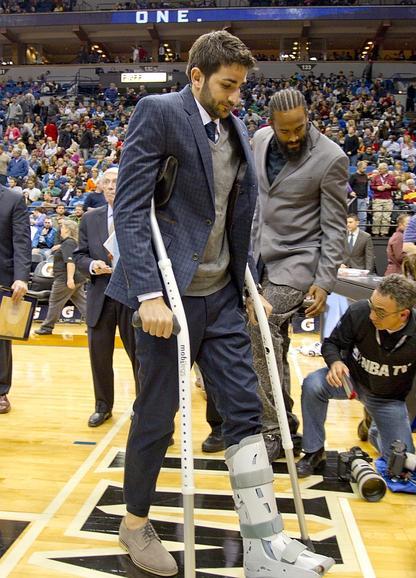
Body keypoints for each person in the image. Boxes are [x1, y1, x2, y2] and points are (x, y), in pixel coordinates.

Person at [105, 31, 331, 578]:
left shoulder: (234, 130)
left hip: (222, 298)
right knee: (157, 417)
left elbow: (235, 217)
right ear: (198, 77)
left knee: (244, 411)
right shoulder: (158, 112)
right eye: (228, 86)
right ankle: (134, 525)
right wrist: (149, 294)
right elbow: (132, 210)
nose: (237, 97)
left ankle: (264, 542)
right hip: (166, 301)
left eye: (241, 87)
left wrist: (248, 284)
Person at [235, 87, 348, 461]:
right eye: (287, 130)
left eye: (300, 127)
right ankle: (284, 422)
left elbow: (334, 227)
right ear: (272, 124)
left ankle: (272, 430)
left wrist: (323, 282)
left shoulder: (331, 157)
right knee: (272, 346)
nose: (295, 135)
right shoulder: (261, 139)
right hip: (257, 256)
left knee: (260, 324)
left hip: (298, 262)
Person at [296, 275, 416, 478]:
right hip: (351, 381)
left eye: (380, 312)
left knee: (401, 466)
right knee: (313, 384)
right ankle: (314, 450)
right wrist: (335, 362)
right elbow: (331, 343)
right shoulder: (359, 311)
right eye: (372, 305)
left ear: (403, 315)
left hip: (388, 399)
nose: (372, 316)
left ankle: (374, 428)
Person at [74, 168, 139, 427]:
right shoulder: (90, 219)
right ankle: (103, 406)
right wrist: (92, 265)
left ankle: (142, 406)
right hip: (100, 294)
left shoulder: (138, 214)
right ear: (100, 186)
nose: (112, 185)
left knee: (139, 356)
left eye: (116, 181)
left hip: (130, 295)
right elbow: (79, 255)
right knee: (99, 356)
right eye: (107, 182)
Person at [0, 185, 31, 413]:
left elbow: (21, 241)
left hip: (2, 279)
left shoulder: (13, 199)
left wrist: (21, 277)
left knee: (0, 340)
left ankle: (1, 392)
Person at [34, 220, 87, 335]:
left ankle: (46, 327)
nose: (60, 230)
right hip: (77, 277)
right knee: (82, 302)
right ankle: (94, 325)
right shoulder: (71, 242)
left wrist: (69, 279)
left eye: (62, 227)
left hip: (65, 279)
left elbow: (70, 262)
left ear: (67, 229)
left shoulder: (68, 242)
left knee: (55, 302)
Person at [369, 162, 397, 237]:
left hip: (388, 199)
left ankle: (384, 233)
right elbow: (371, 186)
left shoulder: (392, 177)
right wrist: (377, 188)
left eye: (380, 168)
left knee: (386, 217)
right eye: (378, 168)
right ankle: (375, 233)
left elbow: (396, 187)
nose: (379, 170)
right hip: (377, 199)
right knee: (377, 216)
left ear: (385, 169)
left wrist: (390, 187)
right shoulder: (375, 177)